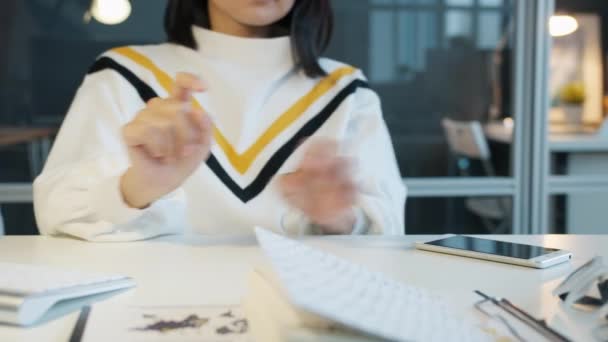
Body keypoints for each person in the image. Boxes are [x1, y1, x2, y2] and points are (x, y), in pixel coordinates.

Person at [33, 0, 405, 242]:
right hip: (152, 312)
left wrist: (338, 218)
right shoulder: (123, 73)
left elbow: (390, 230)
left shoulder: (344, 89)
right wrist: (137, 188)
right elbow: (56, 213)